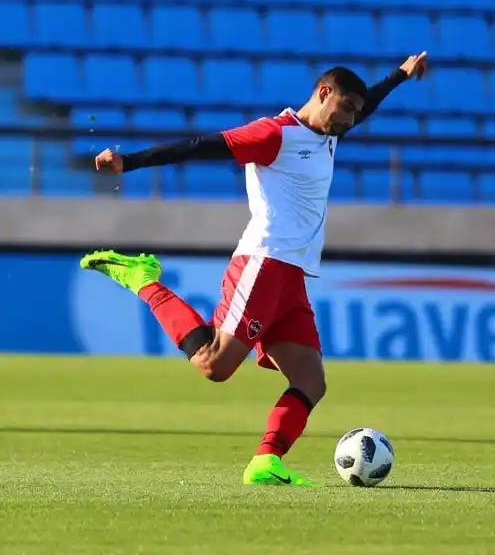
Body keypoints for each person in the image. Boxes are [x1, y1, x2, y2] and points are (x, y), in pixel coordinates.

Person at [80, 53, 430, 485]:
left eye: (355, 113)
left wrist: (400, 76)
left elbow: (365, 102)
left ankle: (266, 462)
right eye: (345, 110)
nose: (349, 121)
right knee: (214, 364)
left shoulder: (329, 129)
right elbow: (201, 147)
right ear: (323, 94)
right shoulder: (275, 134)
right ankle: (142, 280)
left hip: (294, 276)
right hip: (263, 263)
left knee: (310, 380)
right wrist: (129, 162)